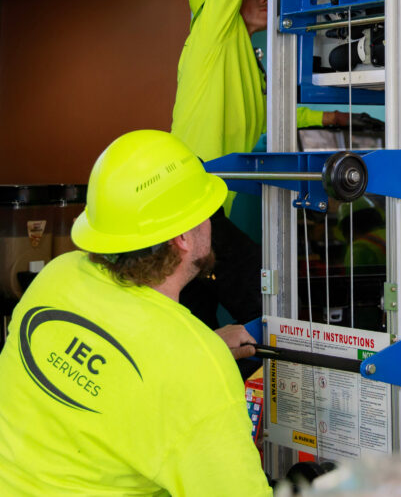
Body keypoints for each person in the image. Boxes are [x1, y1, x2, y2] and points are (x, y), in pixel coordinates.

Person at [170, 0, 355, 327]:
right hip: (189, 205)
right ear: (224, 0)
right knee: (264, 299)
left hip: (201, 212)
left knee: (196, 318)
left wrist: (338, 117)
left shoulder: (244, 63)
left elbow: (273, 115)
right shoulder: (211, 33)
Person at [0, 130, 271, 496]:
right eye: (207, 212)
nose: (213, 221)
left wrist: (202, 348)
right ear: (182, 238)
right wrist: (202, 360)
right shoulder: (197, 372)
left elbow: (124, 363)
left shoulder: (56, 276)